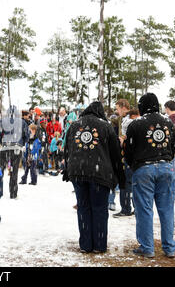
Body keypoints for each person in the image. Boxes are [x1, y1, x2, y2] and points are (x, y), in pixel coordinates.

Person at [63, 101, 125, 254]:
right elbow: (115, 153)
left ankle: (85, 244)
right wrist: (120, 175)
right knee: (99, 208)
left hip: (78, 172)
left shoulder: (75, 125)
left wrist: (67, 169)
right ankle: (99, 244)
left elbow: (67, 149)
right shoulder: (105, 126)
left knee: (83, 207)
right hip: (100, 173)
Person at [124, 93, 175, 258]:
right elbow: (174, 145)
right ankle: (169, 247)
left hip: (144, 169)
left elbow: (128, 149)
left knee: (144, 209)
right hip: (166, 167)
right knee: (167, 209)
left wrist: (134, 165)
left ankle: (147, 247)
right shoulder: (168, 122)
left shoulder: (136, 124)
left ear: (142, 106)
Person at [0, 105, 29, 199]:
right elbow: (27, 135)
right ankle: (13, 193)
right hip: (16, 148)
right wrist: (22, 142)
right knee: (14, 171)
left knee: (1, 170)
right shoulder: (22, 122)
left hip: (5, 147)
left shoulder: (3, 121)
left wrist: (2, 141)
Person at [113, 100, 135, 218]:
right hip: (130, 155)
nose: (117, 111)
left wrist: (123, 140)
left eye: (118, 108)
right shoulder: (126, 119)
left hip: (128, 155)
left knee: (126, 182)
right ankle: (132, 207)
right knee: (131, 182)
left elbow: (128, 138)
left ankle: (126, 208)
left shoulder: (128, 120)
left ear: (123, 107)